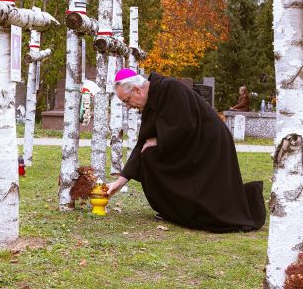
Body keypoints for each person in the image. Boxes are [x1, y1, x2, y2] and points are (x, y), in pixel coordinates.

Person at [107, 69, 266, 233]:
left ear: (137, 90)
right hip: (190, 142)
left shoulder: (169, 88)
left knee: (210, 195)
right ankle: (174, 210)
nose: (128, 107)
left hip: (209, 142)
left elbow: (185, 124)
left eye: (127, 100)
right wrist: (120, 182)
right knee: (148, 155)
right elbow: (143, 143)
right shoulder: (150, 100)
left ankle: (187, 211)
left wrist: (159, 139)